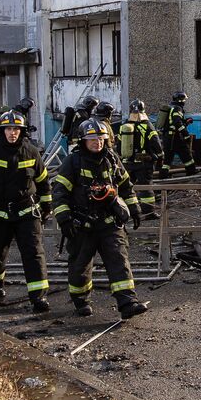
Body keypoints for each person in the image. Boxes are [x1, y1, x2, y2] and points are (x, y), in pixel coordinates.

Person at [53, 119, 146, 319]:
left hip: (109, 223)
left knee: (119, 260)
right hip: (82, 226)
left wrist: (135, 209)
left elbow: (126, 186)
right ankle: (81, 300)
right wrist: (64, 219)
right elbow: (59, 192)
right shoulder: (73, 162)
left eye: (101, 139)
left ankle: (128, 302)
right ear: (83, 141)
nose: (98, 143)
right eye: (93, 139)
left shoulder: (112, 159)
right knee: (80, 266)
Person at [0, 111, 53, 312]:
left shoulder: (32, 152)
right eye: (8, 128)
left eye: (16, 129)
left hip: (27, 212)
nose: (12, 133)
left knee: (34, 254)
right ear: (2, 131)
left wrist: (46, 207)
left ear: (22, 131)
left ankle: (38, 297)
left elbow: (43, 183)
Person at [117, 99, 164, 218]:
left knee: (125, 187)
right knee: (146, 188)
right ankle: (149, 213)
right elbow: (155, 143)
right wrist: (160, 156)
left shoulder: (125, 126)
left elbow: (119, 146)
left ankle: (122, 211)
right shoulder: (147, 125)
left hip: (127, 163)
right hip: (144, 163)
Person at [156, 91, 198, 177]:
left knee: (168, 158)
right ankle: (191, 171)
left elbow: (172, 122)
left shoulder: (171, 108)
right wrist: (186, 135)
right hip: (175, 137)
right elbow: (177, 123)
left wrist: (186, 122)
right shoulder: (177, 108)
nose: (184, 102)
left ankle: (163, 175)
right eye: (184, 100)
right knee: (185, 153)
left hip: (167, 137)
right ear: (180, 100)